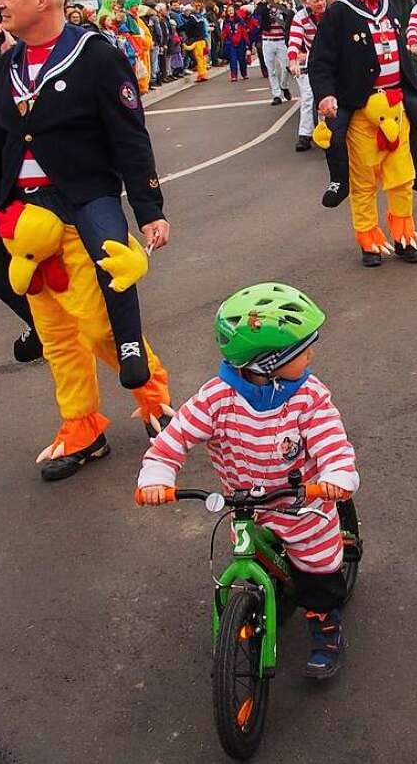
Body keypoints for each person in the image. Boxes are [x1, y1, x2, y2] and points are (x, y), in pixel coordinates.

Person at [0, 0, 172, 481]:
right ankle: (82, 426)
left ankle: (153, 396)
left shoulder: (96, 56)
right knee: (54, 333)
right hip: (23, 219)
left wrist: (148, 208)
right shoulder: (5, 68)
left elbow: (130, 140)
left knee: (98, 322)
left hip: (80, 203)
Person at [137, 282, 359, 678]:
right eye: (300, 349)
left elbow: (330, 438)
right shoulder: (216, 398)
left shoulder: (309, 396)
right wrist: (157, 474)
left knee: (318, 572)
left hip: (303, 505)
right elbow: (176, 437)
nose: (310, 354)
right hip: (246, 508)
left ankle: (327, 628)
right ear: (267, 362)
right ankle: (250, 613)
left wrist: (337, 473)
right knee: (250, 560)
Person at [309, 0, 417, 215]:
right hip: (356, 94)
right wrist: (326, 95)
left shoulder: (389, 6)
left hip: (396, 90)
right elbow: (320, 60)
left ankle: (415, 170)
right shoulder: (340, 12)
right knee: (334, 129)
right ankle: (339, 181)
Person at [288, 0, 326, 152]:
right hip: (314, 60)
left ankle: (328, 133)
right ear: (309, 3)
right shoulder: (300, 17)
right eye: (316, 1)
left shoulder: (332, 13)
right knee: (309, 97)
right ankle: (305, 135)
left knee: (331, 98)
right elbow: (294, 40)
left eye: (322, 0)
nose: (320, 4)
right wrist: (293, 60)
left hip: (334, 58)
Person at [256, 0, 292, 105]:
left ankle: (284, 86)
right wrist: (265, 4)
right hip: (268, 41)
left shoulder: (283, 7)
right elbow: (258, 14)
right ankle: (276, 95)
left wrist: (281, 5)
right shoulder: (262, 7)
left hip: (281, 41)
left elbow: (289, 19)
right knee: (271, 70)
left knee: (286, 67)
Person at [220, 4, 250, 82]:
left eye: (231, 10)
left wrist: (247, 43)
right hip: (231, 43)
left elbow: (244, 32)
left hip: (240, 42)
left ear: (234, 11)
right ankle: (234, 75)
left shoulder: (240, 20)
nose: (230, 12)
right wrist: (224, 38)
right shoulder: (225, 21)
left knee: (242, 59)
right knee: (232, 60)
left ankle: (244, 73)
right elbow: (223, 33)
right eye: (229, 10)